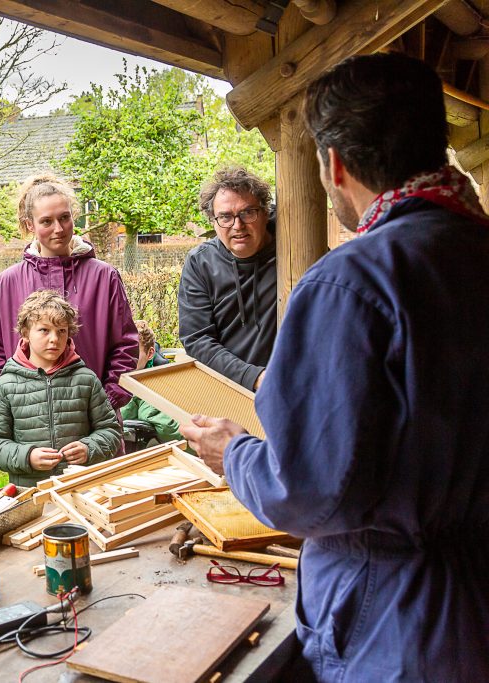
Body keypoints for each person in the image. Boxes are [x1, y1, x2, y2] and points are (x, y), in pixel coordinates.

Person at [181, 53, 489, 682]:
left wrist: (233, 452)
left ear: (334, 163)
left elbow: (308, 489)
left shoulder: (353, 281)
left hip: (403, 620)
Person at [0, 173, 138, 413]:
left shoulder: (104, 277)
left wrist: (105, 401)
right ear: (30, 224)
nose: (59, 229)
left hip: (94, 422)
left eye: (65, 218)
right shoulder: (8, 282)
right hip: (28, 423)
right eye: (46, 221)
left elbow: (125, 346)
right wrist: (8, 405)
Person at [0, 290, 121, 487]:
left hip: (80, 489)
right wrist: (27, 457)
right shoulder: (6, 385)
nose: (54, 339)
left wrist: (88, 448)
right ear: (25, 333)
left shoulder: (86, 379)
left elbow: (110, 430)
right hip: (30, 493)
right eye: (44, 330)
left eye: (61, 331)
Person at [178, 167, 276, 390]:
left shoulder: (294, 247)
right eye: (225, 217)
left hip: (293, 389)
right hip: (228, 389)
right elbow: (197, 340)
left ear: (264, 212)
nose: (238, 226)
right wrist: (255, 377)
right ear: (213, 221)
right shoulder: (200, 264)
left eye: (248, 212)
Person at [120, 321, 181, 447]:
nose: (128, 359)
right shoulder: (110, 377)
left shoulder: (152, 387)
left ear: (150, 353)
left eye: (135, 352)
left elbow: (168, 429)